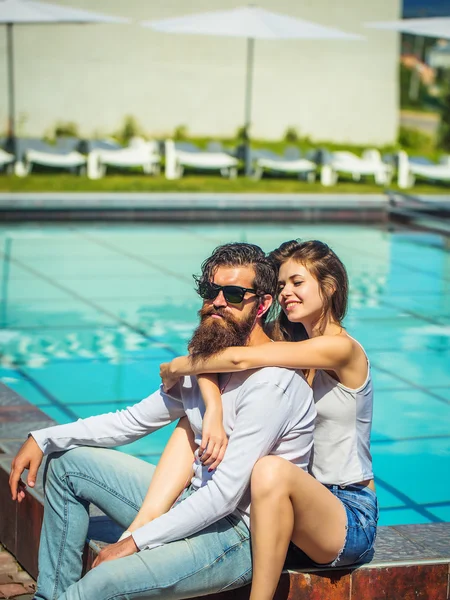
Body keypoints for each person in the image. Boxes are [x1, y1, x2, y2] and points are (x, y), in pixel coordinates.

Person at [9, 242, 317, 600]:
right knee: (67, 464)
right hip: (190, 500)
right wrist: (43, 438)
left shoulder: (272, 385)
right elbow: (131, 421)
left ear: (262, 304)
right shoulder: (206, 366)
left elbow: (224, 496)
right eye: (210, 290)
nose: (217, 302)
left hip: (237, 534)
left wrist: (134, 543)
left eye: (233, 294)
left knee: (101, 583)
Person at [161, 239, 378, 600]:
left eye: (297, 282)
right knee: (191, 423)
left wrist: (174, 367)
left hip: (347, 513)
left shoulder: (343, 349)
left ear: (329, 287)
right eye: (280, 286)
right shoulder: (286, 344)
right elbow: (215, 352)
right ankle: (146, 533)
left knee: (269, 469)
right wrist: (213, 411)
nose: (286, 293)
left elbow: (235, 361)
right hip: (289, 507)